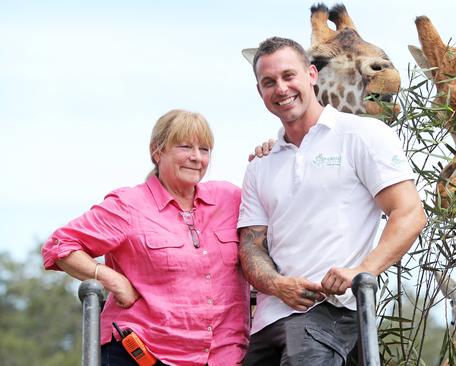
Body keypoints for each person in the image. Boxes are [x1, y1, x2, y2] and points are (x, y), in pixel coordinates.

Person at [237, 37, 427, 365]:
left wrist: (364, 270)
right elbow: (251, 246)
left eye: (289, 76)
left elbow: (409, 213)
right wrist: (278, 285)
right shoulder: (260, 164)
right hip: (267, 321)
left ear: (312, 74)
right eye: (269, 82)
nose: (281, 88)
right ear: (259, 92)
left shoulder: (362, 136)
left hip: (330, 312)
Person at [41, 109, 249, 365]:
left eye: (205, 149)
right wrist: (113, 280)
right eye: (185, 147)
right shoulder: (129, 205)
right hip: (142, 353)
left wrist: (268, 156)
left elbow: (278, 208)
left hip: (224, 356)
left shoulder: (230, 198)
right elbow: (60, 245)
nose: (196, 158)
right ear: (157, 151)